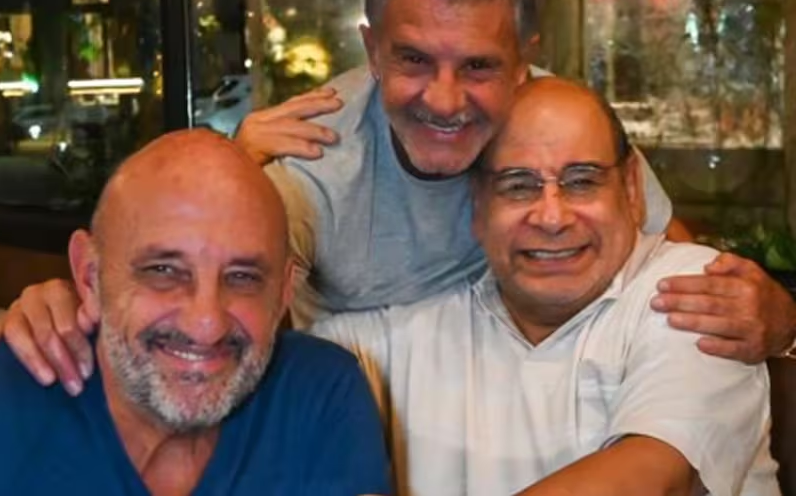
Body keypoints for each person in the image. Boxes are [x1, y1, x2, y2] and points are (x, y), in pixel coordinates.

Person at [0, 0, 795, 394]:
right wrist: (77, 305)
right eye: (412, 60)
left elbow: (680, 273)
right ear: (371, 49)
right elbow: (211, 280)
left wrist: (776, 319)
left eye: (479, 67)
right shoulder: (315, 156)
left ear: (525, 61)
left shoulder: (564, 132)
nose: (444, 99)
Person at [314, 77, 780, 496]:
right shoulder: (400, 337)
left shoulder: (692, 291)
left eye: (582, 181)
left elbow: (653, 480)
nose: (552, 217)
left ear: (632, 189)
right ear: (477, 205)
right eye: (519, 186)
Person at [0, 131, 390, 496]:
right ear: (89, 277)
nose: (206, 323)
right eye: (164, 271)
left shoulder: (317, 394)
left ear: (284, 292)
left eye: (243, 277)